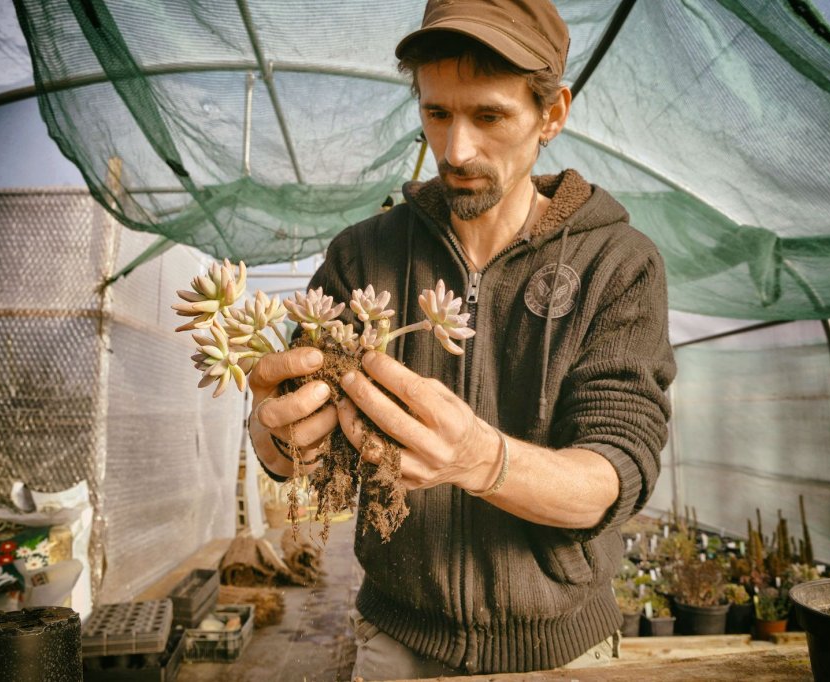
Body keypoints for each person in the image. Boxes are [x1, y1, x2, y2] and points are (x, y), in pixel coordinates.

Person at [248, 0, 676, 677]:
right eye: (436, 113)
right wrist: (275, 438)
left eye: (489, 116)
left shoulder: (616, 264)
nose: (456, 151)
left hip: (559, 651)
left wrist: (480, 459)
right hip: (397, 640)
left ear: (552, 114)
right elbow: (309, 451)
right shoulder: (364, 257)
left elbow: (614, 470)